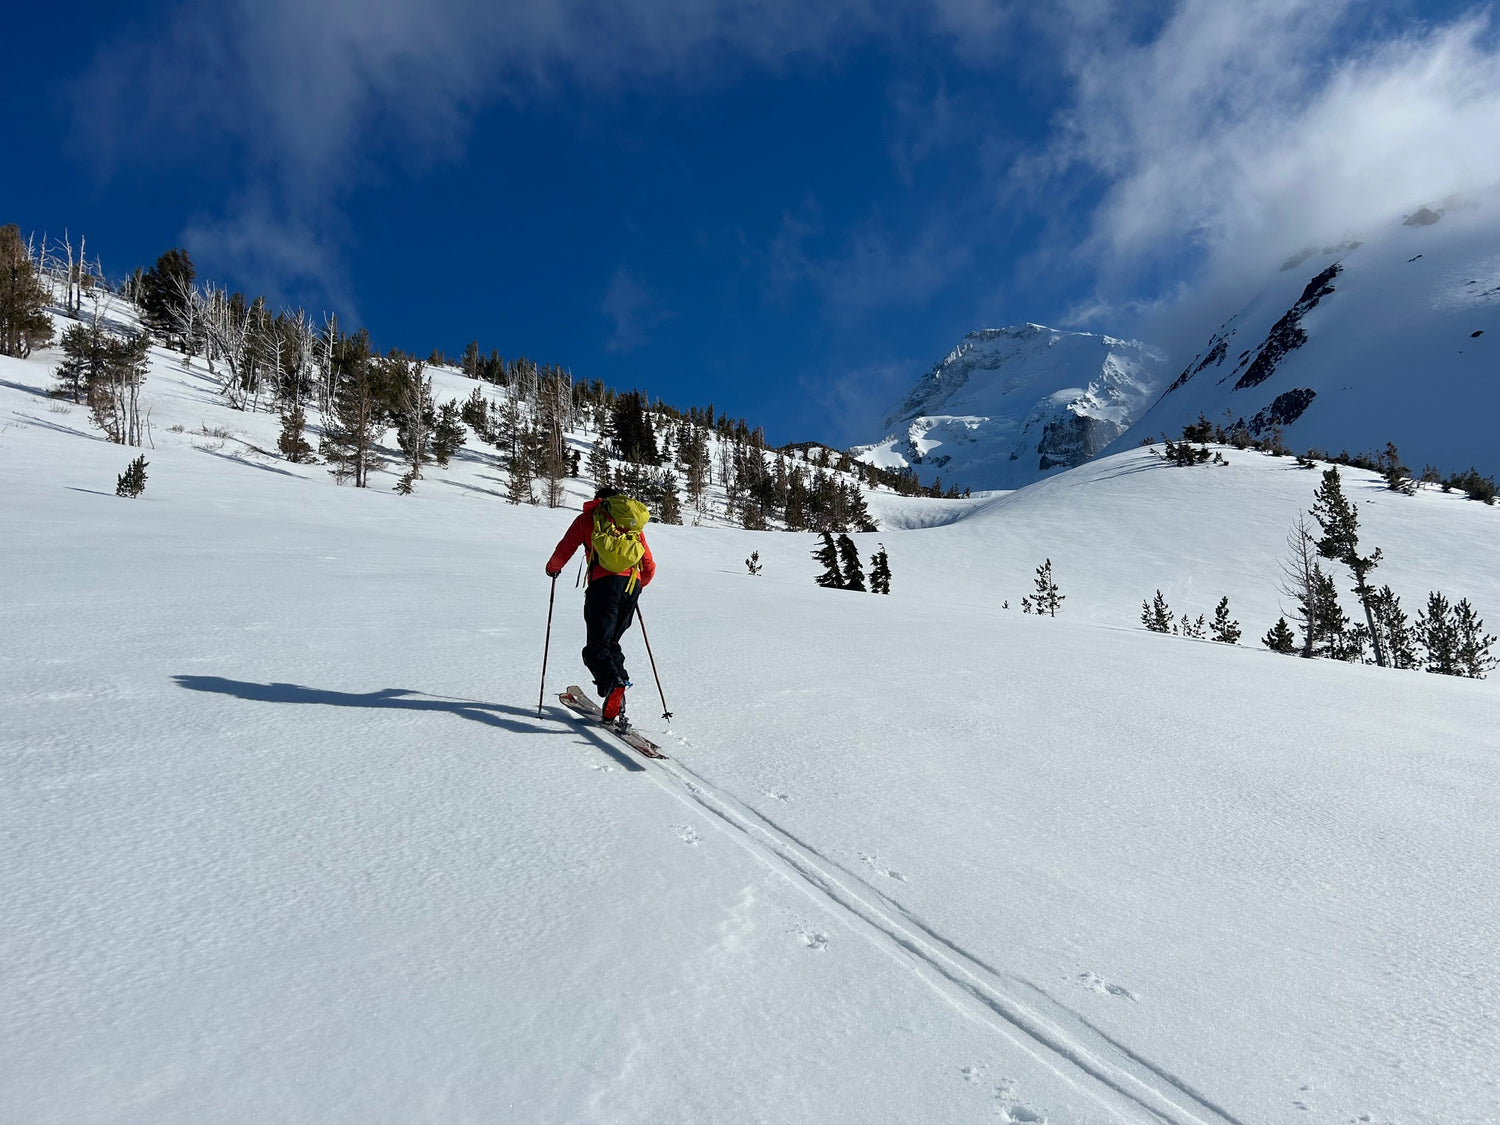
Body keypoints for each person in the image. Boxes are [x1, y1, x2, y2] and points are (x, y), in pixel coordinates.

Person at [546, 486, 656, 721]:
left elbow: (566, 546)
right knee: (611, 643)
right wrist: (636, 585)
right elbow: (649, 565)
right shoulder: (631, 525)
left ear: (599, 500)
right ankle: (619, 684)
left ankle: (613, 683)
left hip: (603, 586)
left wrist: (552, 568)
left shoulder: (588, 518)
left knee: (596, 646)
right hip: (631, 588)